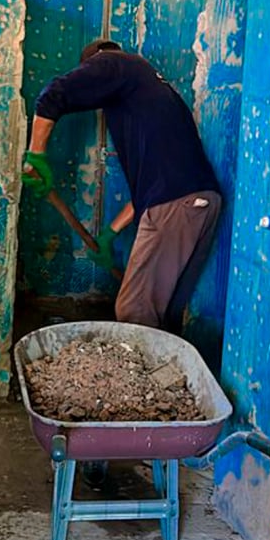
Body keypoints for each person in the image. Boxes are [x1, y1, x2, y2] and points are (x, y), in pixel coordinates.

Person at [22, 39, 221, 333]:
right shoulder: (150, 88)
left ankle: (137, 378)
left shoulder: (111, 62)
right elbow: (150, 190)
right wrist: (109, 235)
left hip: (177, 203)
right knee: (165, 313)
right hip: (200, 201)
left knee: (133, 310)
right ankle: (163, 375)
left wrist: (36, 155)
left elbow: (52, 95)